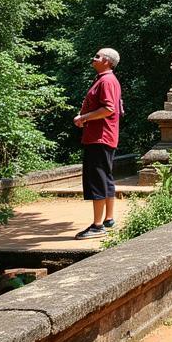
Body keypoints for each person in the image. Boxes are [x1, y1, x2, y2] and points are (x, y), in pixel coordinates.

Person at [74, 47, 123, 239]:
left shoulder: (107, 80)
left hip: (100, 136)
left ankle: (97, 226)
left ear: (107, 61)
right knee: (105, 177)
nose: (93, 58)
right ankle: (108, 219)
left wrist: (84, 118)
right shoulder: (105, 80)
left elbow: (109, 109)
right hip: (102, 136)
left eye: (97, 56)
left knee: (98, 180)